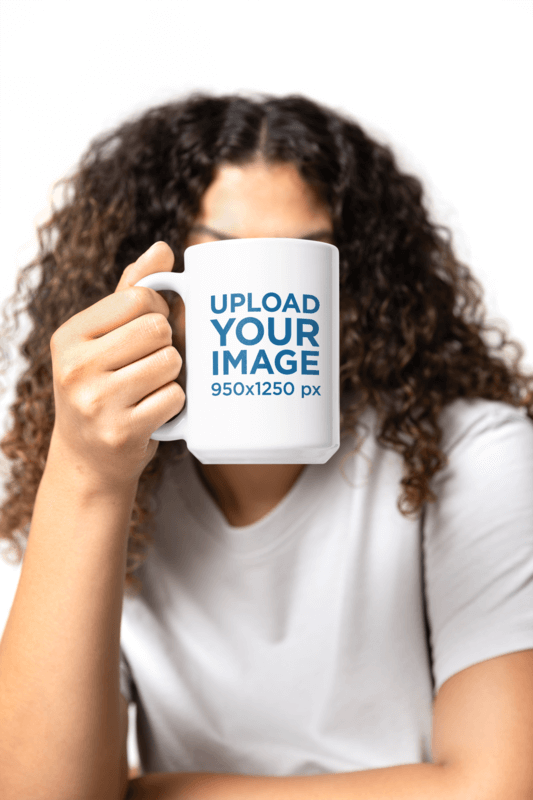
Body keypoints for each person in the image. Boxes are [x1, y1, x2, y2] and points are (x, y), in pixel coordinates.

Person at [0, 91, 532, 800]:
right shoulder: (86, 470)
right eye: (220, 262)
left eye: (300, 263)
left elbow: (499, 787)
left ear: (358, 291)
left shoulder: (472, 455)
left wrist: (151, 793)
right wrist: (87, 474)